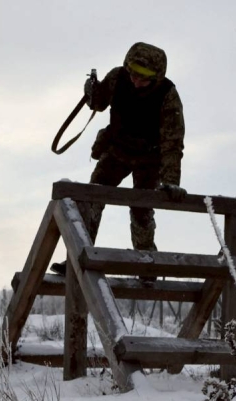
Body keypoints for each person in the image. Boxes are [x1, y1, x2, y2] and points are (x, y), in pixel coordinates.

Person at [51, 42, 186, 283]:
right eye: (133, 74)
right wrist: (92, 92)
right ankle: (78, 256)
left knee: (142, 209)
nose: (135, 81)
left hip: (149, 158)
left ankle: (147, 264)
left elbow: (172, 143)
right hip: (117, 150)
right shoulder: (117, 78)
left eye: (142, 78)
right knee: (92, 197)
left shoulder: (168, 96)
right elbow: (99, 102)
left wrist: (171, 181)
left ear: (155, 77)